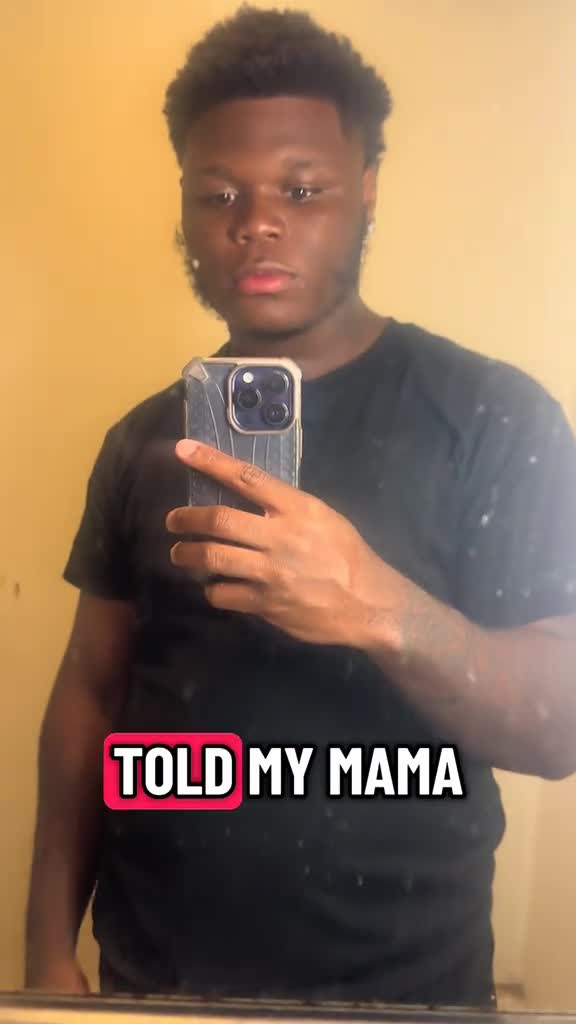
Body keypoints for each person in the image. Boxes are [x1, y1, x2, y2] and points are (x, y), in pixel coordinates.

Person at [25, 5, 576, 1009]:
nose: (257, 221)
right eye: (218, 193)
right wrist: (45, 952)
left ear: (367, 190)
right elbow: (89, 699)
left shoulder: (492, 417)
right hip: (156, 983)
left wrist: (378, 606)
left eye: (302, 188)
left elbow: (558, 726)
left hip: (406, 993)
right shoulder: (143, 439)